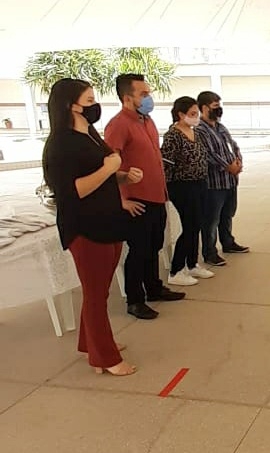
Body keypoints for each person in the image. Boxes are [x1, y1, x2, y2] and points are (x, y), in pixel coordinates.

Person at [42, 78, 138, 376]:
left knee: (100, 291)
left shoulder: (91, 135)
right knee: (95, 294)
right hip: (85, 227)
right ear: (71, 105)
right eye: (88, 100)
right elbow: (73, 191)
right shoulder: (60, 144)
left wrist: (121, 176)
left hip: (107, 221)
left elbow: (101, 174)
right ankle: (105, 358)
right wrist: (109, 169)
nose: (94, 105)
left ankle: (91, 342)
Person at [104, 74, 185, 321]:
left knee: (154, 246)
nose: (149, 98)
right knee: (139, 250)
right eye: (144, 94)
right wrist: (121, 199)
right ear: (127, 98)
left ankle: (154, 287)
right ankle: (135, 299)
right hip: (136, 201)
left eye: (149, 93)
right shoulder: (118, 125)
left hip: (157, 196)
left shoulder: (146, 120)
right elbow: (108, 166)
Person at [161, 97, 215, 287]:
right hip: (182, 186)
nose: (196, 118)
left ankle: (192, 264)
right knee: (189, 226)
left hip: (199, 183)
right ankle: (176, 270)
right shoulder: (172, 136)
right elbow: (165, 165)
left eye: (196, 114)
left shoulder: (195, 132)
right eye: (192, 114)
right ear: (180, 115)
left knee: (198, 224)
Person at [195, 90, 249, 267]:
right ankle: (210, 252)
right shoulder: (200, 130)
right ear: (204, 108)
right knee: (211, 219)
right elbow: (208, 154)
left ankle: (228, 242)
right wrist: (228, 166)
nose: (219, 110)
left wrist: (238, 161)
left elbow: (232, 145)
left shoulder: (220, 127)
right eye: (215, 106)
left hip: (230, 180)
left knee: (228, 214)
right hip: (214, 183)